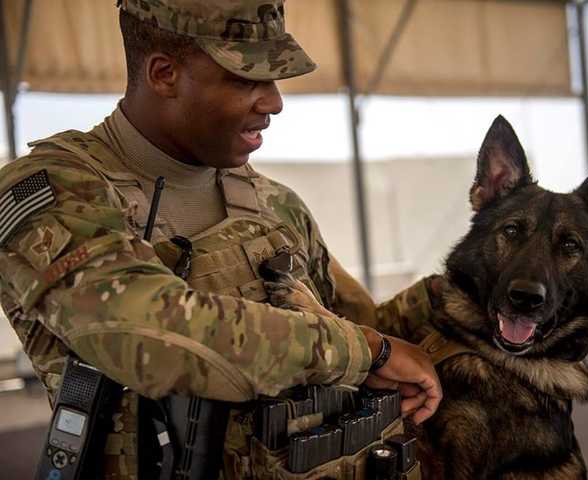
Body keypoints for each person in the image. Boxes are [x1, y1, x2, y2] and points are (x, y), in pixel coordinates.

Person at [0, 1, 442, 478]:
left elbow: (355, 322)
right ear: (164, 74)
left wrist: (453, 295)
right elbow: (151, 336)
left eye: (274, 80)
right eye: (246, 79)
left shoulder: (274, 203)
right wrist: (367, 350)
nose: (274, 102)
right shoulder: (51, 190)